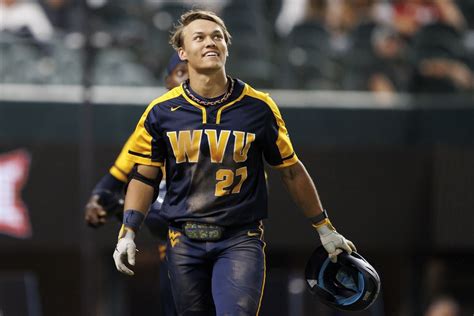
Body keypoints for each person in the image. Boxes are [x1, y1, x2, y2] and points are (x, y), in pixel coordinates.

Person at [113, 10, 356, 315]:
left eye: (217, 36)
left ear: (227, 46)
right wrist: (128, 231)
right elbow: (145, 177)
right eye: (199, 37)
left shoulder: (258, 107)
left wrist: (325, 228)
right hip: (184, 241)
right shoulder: (161, 111)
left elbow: (291, 171)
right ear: (182, 52)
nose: (209, 42)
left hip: (239, 240)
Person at [85, 52, 188, 316]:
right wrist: (100, 202)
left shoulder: (229, 122)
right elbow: (109, 184)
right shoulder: (153, 126)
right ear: (168, 82)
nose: (189, 78)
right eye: (181, 72)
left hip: (225, 247)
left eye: (195, 72)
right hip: (176, 254)